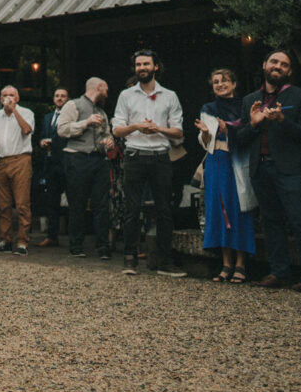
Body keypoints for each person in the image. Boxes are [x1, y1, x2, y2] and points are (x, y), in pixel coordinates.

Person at [232, 49, 301, 293]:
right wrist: (253, 124)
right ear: (264, 65)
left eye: (284, 64)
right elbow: (240, 139)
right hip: (260, 168)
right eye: (274, 61)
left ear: (289, 71)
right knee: (271, 222)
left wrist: (283, 120)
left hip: (290, 169)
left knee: (300, 220)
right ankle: (279, 272)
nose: (278, 66)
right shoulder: (250, 100)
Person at [112, 51, 186, 277]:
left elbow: (178, 132)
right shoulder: (126, 95)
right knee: (132, 209)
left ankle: (165, 262)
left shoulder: (170, 96)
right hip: (135, 155)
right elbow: (117, 130)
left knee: (164, 210)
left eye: (146, 64)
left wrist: (158, 128)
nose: (142, 67)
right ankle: (130, 259)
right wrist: (136, 126)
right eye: (138, 64)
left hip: (160, 156)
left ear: (156, 67)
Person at [196, 68, 255, 283]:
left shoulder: (244, 106)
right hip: (216, 160)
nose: (220, 84)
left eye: (224, 80)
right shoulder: (208, 108)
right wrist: (204, 133)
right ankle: (226, 263)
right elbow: (206, 141)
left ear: (234, 84)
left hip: (237, 160)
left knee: (239, 209)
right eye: (216, 82)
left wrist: (228, 128)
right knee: (219, 210)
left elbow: (249, 133)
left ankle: (241, 264)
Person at [58, 77, 114, 259]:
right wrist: (86, 122)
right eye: (106, 89)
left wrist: (109, 142)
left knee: (102, 204)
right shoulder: (72, 105)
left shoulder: (102, 112)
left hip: (98, 160)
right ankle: (76, 245)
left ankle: (103, 247)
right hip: (77, 158)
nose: (107, 94)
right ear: (99, 87)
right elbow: (62, 130)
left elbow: (107, 134)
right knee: (77, 203)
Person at [0, 85, 35, 254]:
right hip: (0, 161)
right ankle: (5, 240)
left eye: (12, 95)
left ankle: (22, 242)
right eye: (5, 95)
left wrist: (14, 110)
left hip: (20, 160)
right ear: (0, 98)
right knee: (4, 205)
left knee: (22, 204)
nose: (8, 98)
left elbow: (27, 130)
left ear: (17, 98)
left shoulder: (27, 112)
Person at [33, 87, 69, 247]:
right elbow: (41, 135)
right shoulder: (48, 117)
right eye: (57, 96)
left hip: (66, 162)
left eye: (63, 96)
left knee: (73, 199)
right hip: (50, 163)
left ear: (68, 99)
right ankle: (52, 236)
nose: (59, 98)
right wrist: (42, 142)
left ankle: (75, 238)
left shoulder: (71, 117)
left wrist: (54, 143)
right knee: (52, 200)